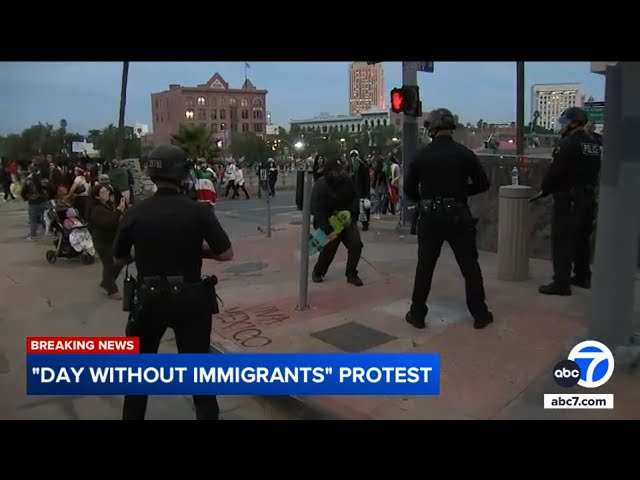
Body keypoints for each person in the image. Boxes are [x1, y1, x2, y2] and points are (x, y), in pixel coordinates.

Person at [113, 144, 233, 421]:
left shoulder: (135, 212)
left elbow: (118, 258)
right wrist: (196, 250)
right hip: (190, 299)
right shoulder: (199, 211)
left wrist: (145, 249)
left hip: (148, 299)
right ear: (182, 175)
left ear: (152, 176)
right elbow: (226, 253)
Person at [404, 108, 493, 330]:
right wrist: (460, 193)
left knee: (425, 266)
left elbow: (408, 189)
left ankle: (417, 314)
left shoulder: (422, 154)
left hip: (430, 216)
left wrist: (425, 198)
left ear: (431, 128)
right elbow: (483, 184)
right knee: (469, 265)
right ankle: (480, 314)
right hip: (458, 215)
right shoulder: (464, 153)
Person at [536, 107, 601, 295]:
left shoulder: (568, 144)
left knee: (562, 240)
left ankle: (561, 282)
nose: (562, 127)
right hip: (588, 198)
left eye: (565, 122)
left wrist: (545, 189)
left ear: (573, 123)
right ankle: (582, 275)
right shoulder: (594, 143)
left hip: (569, 199)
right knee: (582, 238)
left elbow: (555, 172)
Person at [310, 156, 364, 286]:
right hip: (329, 222)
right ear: (329, 171)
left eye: (341, 169)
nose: (341, 172)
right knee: (329, 249)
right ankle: (318, 271)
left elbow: (355, 198)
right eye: (337, 170)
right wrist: (327, 228)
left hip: (346, 220)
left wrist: (351, 214)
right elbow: (317, 208)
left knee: (356, 245)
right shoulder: (321, 185)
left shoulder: (347, 181)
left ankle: (351, 274)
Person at [87, 184, 126, 298]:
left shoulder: (108, 205)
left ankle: (106, 283)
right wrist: (119, 211)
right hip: (103, 241)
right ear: (97, 196)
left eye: (107, 191)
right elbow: (108, 223)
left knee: (120, 261)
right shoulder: (97, 209)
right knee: (109, 264)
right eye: (104, 192)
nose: (107, 193)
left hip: (112, 239)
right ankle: (112, 289)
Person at [346, 149, 371, 231]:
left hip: (361, 191)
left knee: (363, 210)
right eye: (352, 156)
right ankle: (353, 223)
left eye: (355, 156)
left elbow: (367, 181)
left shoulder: (363, 167)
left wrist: (367, 194)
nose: (354, 158)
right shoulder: (349, 167)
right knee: (353, 209)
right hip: (352, 192)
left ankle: (365, 224)